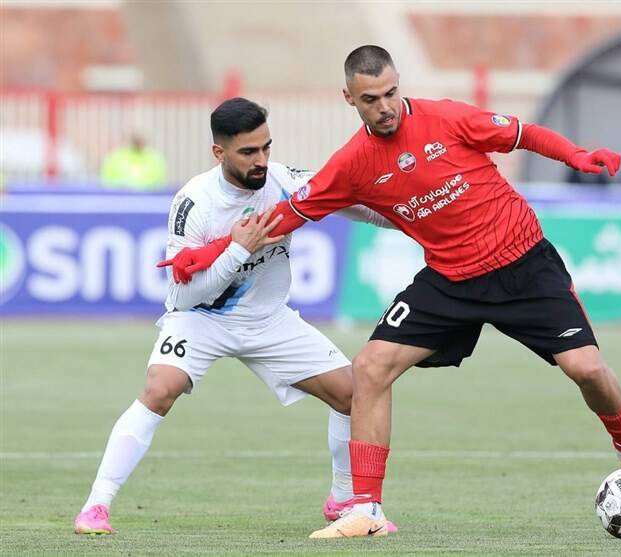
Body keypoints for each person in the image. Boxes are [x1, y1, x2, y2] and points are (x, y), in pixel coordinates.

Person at [160, 46, 621, 539]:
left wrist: (576, 155)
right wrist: (205, 254)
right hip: (451, 280)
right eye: (370, 99)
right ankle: (365, 509)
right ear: (349, 99)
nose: (384, 106)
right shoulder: (351, 163)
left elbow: (523, 133)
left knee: (587, 370)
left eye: (390, 92)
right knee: (370, 368)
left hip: (523, 263)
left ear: (398, 84)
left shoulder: (447, 118)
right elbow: (284, 215)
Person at [74, 97, 398, 535]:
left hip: (268, 319)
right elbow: (182, 295)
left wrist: (413, 219)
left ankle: (342, 498)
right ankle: (96, 506)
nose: (261, 159)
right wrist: (238, 250)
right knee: (159, 389)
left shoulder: (282, 180)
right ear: (219, 152)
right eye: (248, 151)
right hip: (202, 319)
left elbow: (355, 203)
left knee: (352, 393)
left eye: (266, 147)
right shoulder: (194, 202)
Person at [101, 133, 168, 190]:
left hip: (148, 197)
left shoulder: (154, 158)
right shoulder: (116, 157)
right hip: (121, 197)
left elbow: (160, 182)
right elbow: (107, 181)